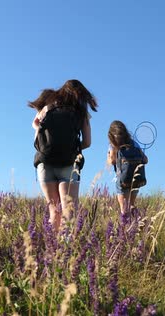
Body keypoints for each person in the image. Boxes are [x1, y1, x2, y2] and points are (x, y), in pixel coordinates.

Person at [29, 80, 98, 232]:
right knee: (69, 211)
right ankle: (65, 251)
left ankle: (51, 250)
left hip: (44, 163)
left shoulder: (48, 107)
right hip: (69, 164)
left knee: (54, 211)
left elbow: (35, 125)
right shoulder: (80, 112)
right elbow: (87, 142)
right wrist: (71, 146)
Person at [107, 120, 148, 215]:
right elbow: (145, 160)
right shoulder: (134, 144)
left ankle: (125, 228)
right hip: (136, 180)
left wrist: (108, 156)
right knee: (131, 205)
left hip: (122, 180)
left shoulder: (113, 145)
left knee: (124, 209)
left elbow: (112, 161)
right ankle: (137, 223)